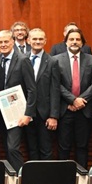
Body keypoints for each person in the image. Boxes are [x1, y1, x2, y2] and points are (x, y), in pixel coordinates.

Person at [55, 28, 92, 168]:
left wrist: (80, 100)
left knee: (82, 147)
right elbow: (56, 84)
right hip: (65, 109)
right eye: (71, 39)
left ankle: (82, 180)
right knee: (63, 148)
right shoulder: (56, 60)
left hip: (84, 109)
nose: (74, 42)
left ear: (82, 43)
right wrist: (72, 100)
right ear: (66, 42)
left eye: (77, 39)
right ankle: (63, 180)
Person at [0, 30, 36, 171]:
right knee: (5, 147)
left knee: (13, 147)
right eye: (0, 42)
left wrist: (28, 114)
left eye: (6, 41)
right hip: (1, 111)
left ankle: (20, 179)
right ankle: (11, 179)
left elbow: (32, 89)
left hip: (18, 112)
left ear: (12, 42)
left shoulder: (23, 60)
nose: (3, 44)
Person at [25, 28, 61, 160]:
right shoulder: (22, 60)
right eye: (34, 39)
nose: (37, 41)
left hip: (44, 114)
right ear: (28, 40)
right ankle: (33, 179)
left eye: (41, 39)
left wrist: (53, 116)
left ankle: (46, 180)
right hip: (26, 112)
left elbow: (55, 90)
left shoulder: (52, 62)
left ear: (45, 41)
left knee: (46, 150)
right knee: (31, 149)